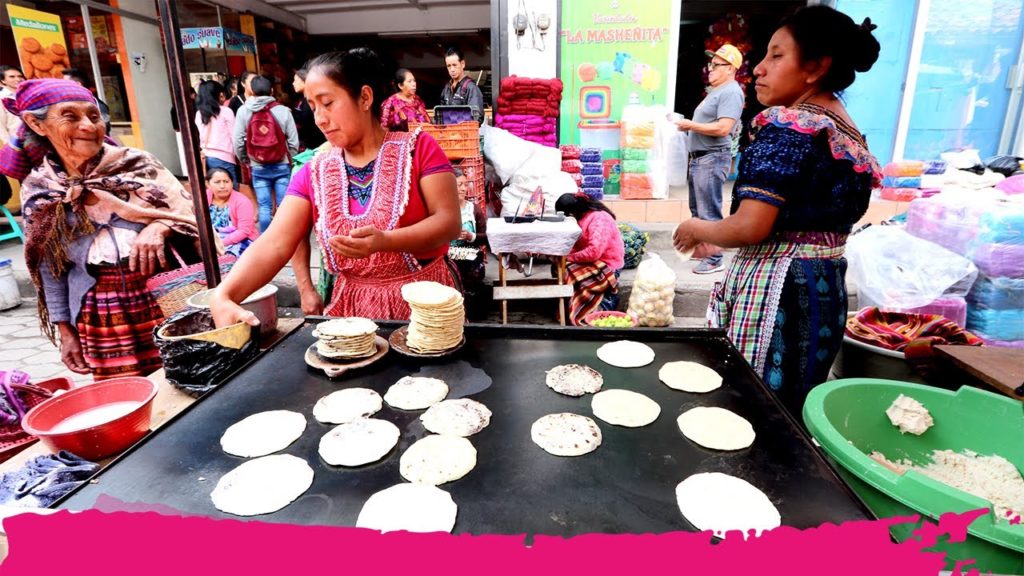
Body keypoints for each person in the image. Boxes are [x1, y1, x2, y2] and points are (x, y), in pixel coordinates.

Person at [673, 5, 881, 416]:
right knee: (793, 403)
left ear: (816, 67)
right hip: (824, 285)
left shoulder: (788, 125)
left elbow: (751, 225)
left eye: (777, 55)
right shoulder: (847, 132)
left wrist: (697, 227)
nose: (759, 69)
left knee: (751, 407)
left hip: (779, 289)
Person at [210, 48, 461, 326]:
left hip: (426, 307)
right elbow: (275, 243)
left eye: (327, 103)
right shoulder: (313, 171)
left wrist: (386, 241)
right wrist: (224, 295)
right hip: (352, 315)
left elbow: (448, 222)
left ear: (364, 97)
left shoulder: (419, 149)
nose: (319, 118)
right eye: (313, 106)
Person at [0, 79, 209, 380]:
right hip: (99, 311)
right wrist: (65, 330)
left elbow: (190, 216)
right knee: (129, 398)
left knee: (193, 379)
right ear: (36, 123)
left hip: (166, 294)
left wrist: (161, 226)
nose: (88, 125)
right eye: (70, 116)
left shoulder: (139, 166)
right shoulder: (41, 189)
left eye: (94, 116)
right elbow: (50, 268)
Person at [673, 44, 746, 275]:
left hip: (712, 159)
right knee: (698, 210)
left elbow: (724, 128)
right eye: (710, 64)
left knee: (708, 211)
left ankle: (715, 258)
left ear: (731, 68)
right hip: (701, 159)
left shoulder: (731, 92)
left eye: (716, 65)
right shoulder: (716, 92)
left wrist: (689, 125)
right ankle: (705, 251)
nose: (710, 69)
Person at [233, 74, 299, 232]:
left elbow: (237, 140)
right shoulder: (283, 111)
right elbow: (293, 141)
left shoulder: (243, 111)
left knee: (264, 207)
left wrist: (245, 159)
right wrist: (289, 156)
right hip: (281, 164)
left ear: (252, 91)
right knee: (284, 206)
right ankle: (285, 238)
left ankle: (266, 242)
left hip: (258, 165)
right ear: (271, 90)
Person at [555, 193, 625, 326]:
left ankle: (596, 306)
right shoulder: (581, 217)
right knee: (558, 267)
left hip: (607, 264)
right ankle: (575, 306)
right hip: (592, 261)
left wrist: (568, 257)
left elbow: (594, 252)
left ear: (572, 212)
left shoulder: (599, 219)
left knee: (568, 270)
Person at [450, 168, 487, 318]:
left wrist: (471, 236)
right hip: (448, 255)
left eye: (465, 184)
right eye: (459, 185)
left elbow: (486, 237)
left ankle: (471, 312)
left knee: (472, 272)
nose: (464, 188)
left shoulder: (474, 210)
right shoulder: (444, 209)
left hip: (470, 255)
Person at [206, 167, 258, 257]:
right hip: (213, 239)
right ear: (208, 184)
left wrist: (220, 244)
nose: (222, 186)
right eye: (217, 182)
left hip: (239, 240)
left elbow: (244, 231)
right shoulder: (203, 198)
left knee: (231, 259)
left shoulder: (242, 201)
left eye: (226, 181)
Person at [194, 80, 238, 185]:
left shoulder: (199, 114)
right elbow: (234, 137)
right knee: (231, 190)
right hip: (224, 157)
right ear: (219, 94)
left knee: (215, 190)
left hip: (207, 157)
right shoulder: (226, 112)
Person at [440, 47, 485, 124]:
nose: (452, 69)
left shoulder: (471, 88)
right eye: (449, 66)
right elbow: (440, 115)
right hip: (448, 133)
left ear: (462, 64)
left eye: (454, 65)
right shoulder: (446, 88)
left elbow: (477, 118)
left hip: (465, 134)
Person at [62, 68, 111, 134]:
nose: (63, 87)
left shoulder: (97, 105)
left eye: (66, 84)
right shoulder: (71, 104)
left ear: (78, 84)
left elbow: (102, 131)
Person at [292, 65, 327, 151]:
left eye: (296, 80)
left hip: (316, 144)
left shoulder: (310, 101)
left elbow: (307, 121)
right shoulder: (303, 100)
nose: (293, 83)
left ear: (304, 81)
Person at [0, 66, 25, 145]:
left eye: (20, 76)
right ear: (3, 81)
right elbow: (1, 127)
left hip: (35, 140)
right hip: (16, 142)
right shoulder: (1, 98)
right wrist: (9, 147)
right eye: (12, 77)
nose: (18, 79)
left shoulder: (27, 95)